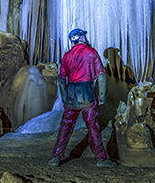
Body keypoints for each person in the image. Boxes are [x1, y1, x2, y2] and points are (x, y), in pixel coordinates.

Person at [49, 28, 117, 167]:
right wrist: (102, 96)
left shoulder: (67, 56)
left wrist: (64, 97)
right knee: (93, 126)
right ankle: (101, 159)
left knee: (66, 126)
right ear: (80, 38)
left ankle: (56, 157)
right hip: (87, 92)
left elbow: (61, 79)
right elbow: (101, 76)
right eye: (83, 35)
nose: (85, 37)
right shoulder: (91, 53)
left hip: (72, 94)